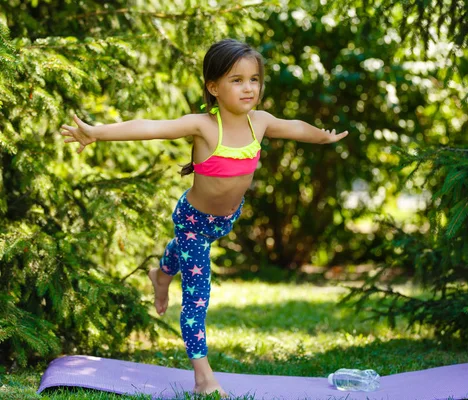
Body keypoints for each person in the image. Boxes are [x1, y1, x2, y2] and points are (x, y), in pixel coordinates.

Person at [60, 38, 349, 398]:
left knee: (180, 256)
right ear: (213, 87)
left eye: (254, 79)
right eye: (237, 80)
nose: (248, 88)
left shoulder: (259, 121)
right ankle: (202, 377)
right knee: (198, 297)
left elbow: (295, 127)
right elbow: (150, 126)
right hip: (194, 222)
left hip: (225, 219)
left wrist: (323, 137)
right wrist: (97, 133)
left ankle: (161, 273)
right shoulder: (203, 126)